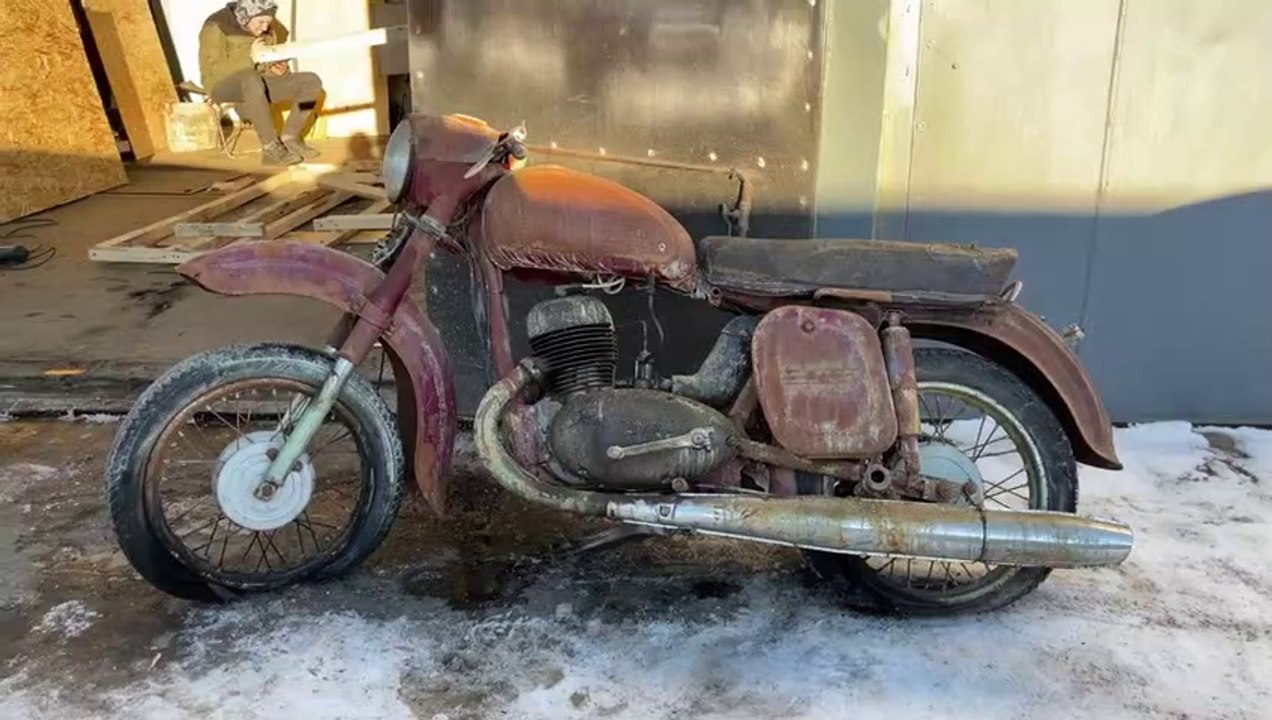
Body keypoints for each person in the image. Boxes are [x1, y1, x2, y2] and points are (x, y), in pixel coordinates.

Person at [198, 0, 323, 166]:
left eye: (268, 23)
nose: (265, 28)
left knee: (310, 81)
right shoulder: (216, 26)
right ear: (246, 16)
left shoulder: (269, 27)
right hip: (221, 85)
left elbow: (265, 60)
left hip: (256, 84)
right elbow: (212, 71)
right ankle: (270, 147)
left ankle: (290, 137)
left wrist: (275, 68)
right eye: (261, 22)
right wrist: (251, 57)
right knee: (251, 79)